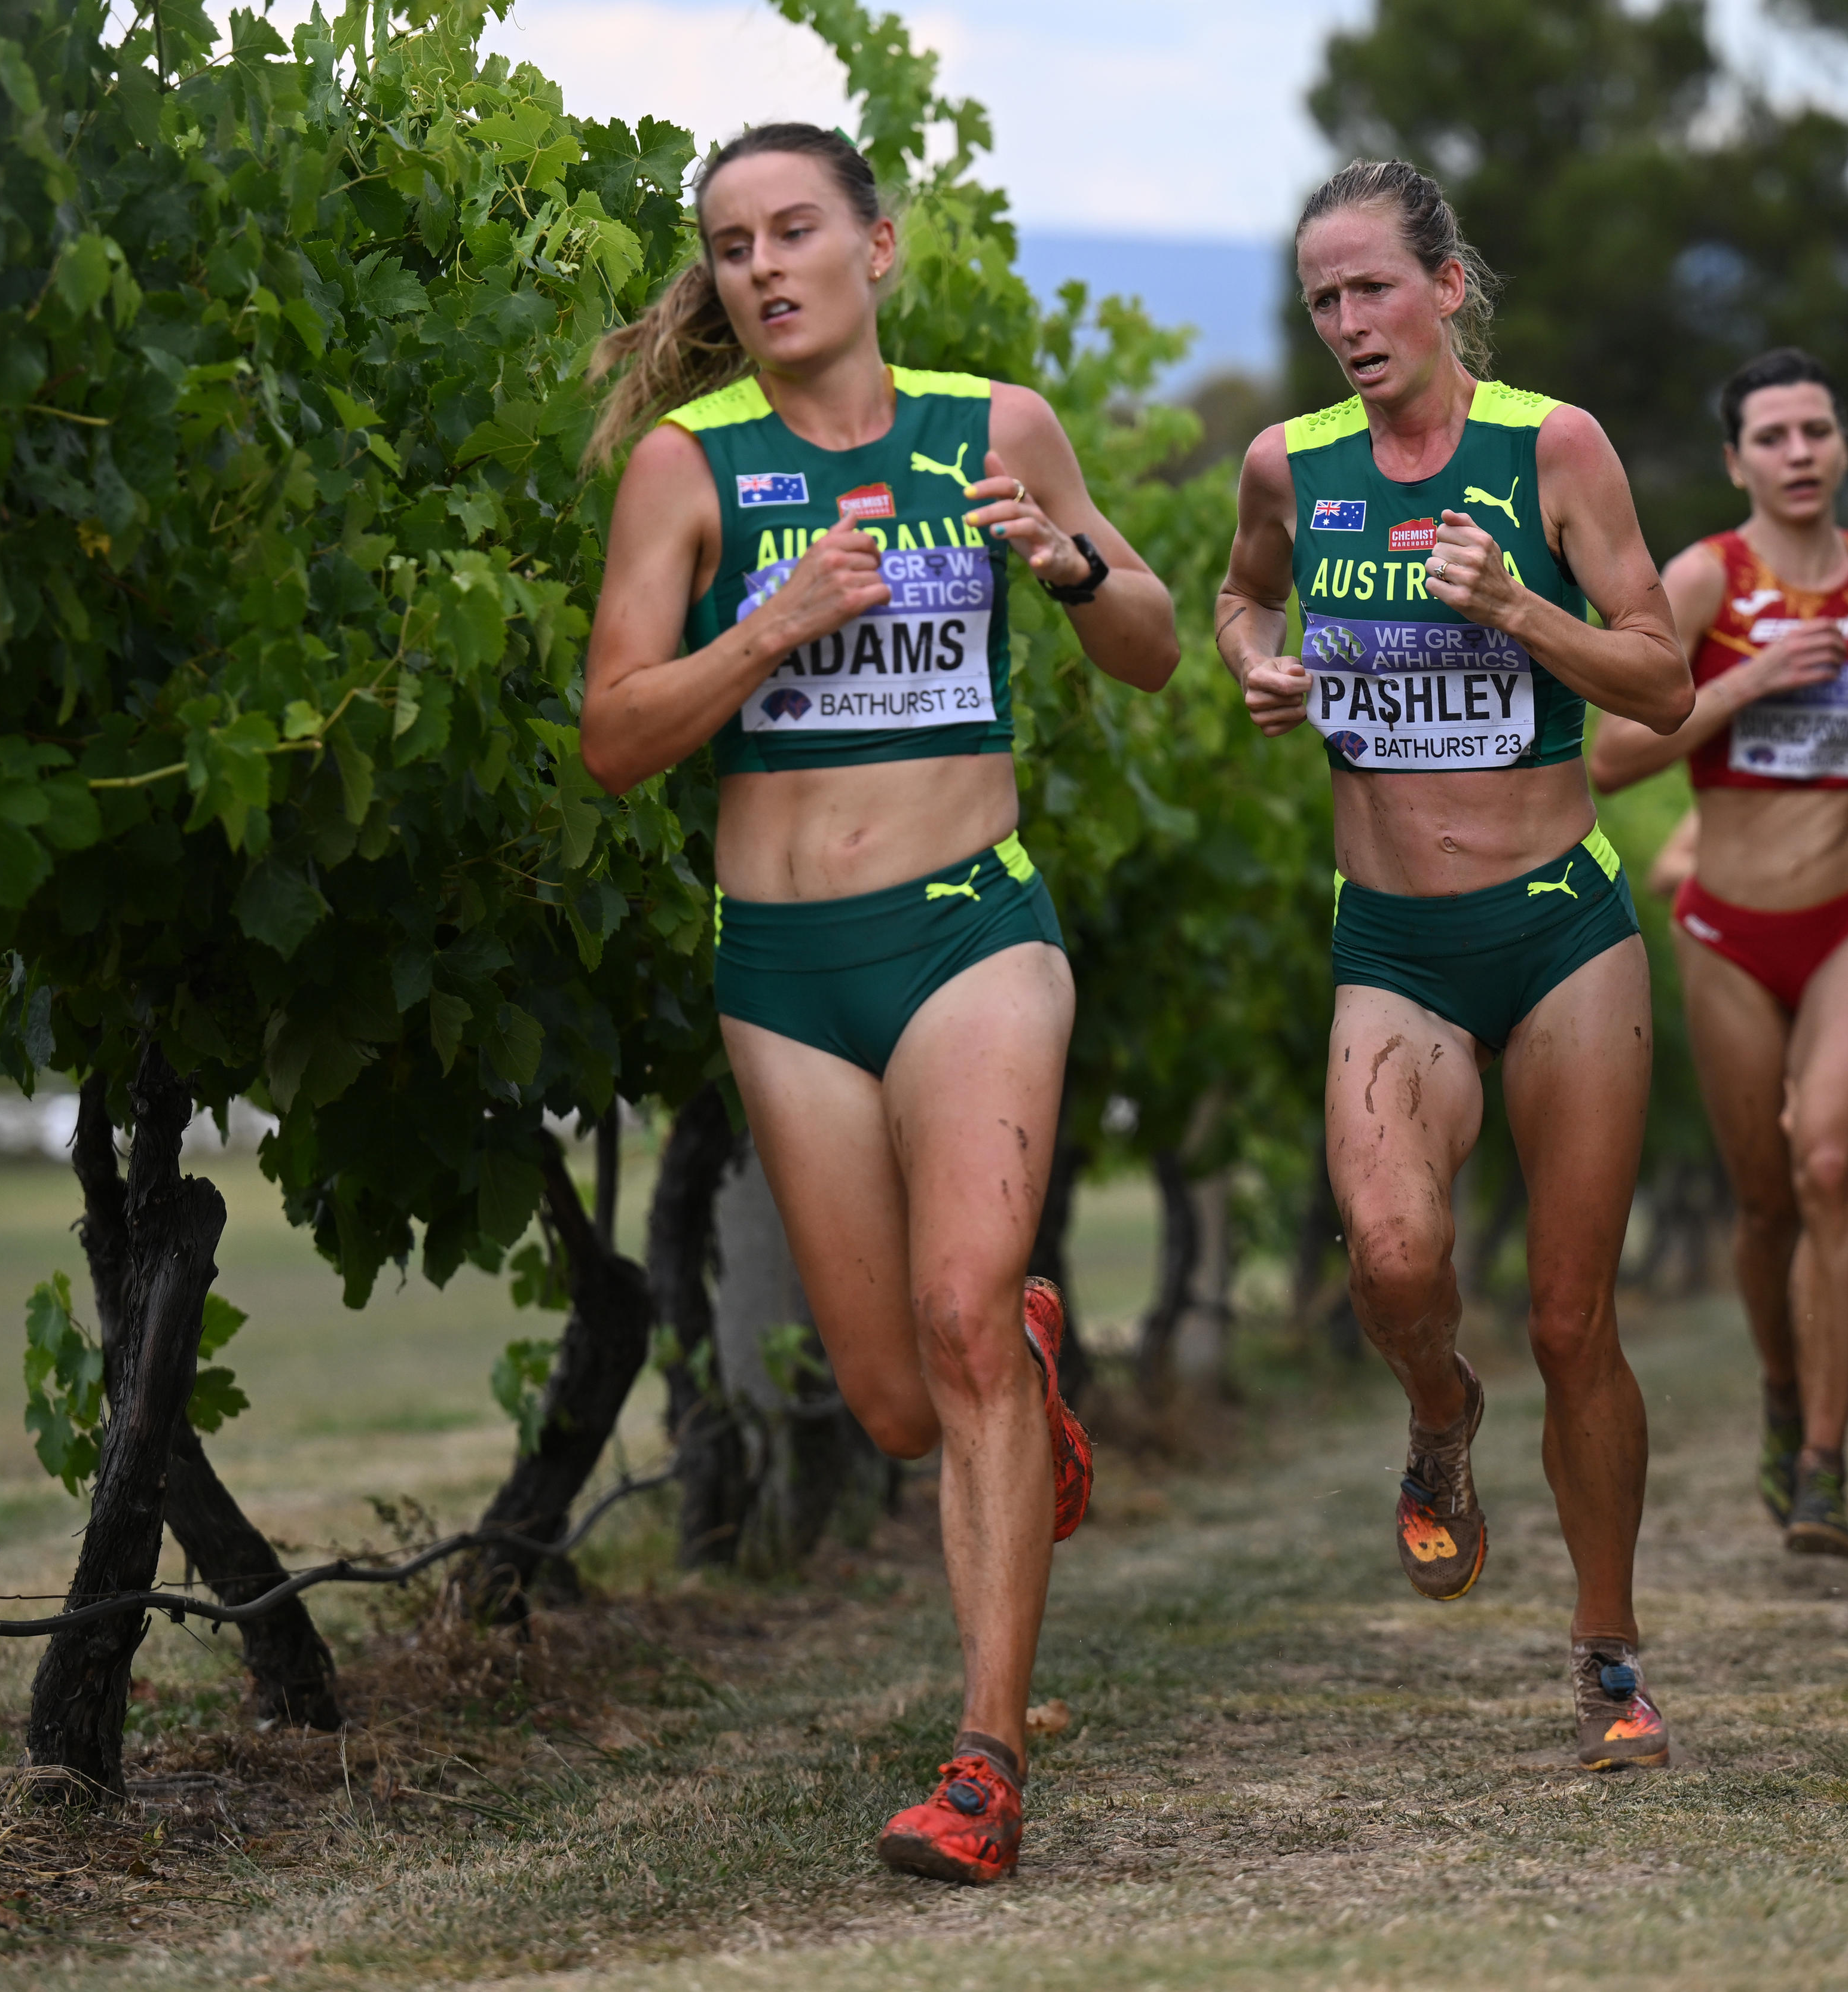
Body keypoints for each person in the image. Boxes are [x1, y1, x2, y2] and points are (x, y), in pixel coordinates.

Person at [578, 124, 1179, 1884]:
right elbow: (617, 740)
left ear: (875, 247)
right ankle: (1020, 1369)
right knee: (900, 1395)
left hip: (971, 932)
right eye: (732, 244)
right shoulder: (691, 470)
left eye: (794, 231)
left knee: (959, 1305)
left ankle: (984, 1764)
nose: (765, 266)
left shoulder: (992, 430)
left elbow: (1141, 638)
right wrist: (767, 630)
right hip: (784, 972)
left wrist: (1063, 563)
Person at [1214, 160, 1693, 1769]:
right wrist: (1258, 669)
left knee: (1573, 1318)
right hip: (1395, 942)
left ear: (1448, 286)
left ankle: (1611, 1653)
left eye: (1372, 288)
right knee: (1398, 1263)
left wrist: (1522, 614)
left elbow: (1666, 679)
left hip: (1560, 930)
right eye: (1322, 300)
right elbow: (1238, 595)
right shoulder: (1291, 465)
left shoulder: (1548, 449)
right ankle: (1438, 1418)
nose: (1349, 323)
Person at [1590, 348, 1848, 1559]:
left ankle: (1823, 1458)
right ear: (1735, 460)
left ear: (1845, 446)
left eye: (1817, 429)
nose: (1799, 451)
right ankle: (1778, 1385)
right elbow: (1612, 753)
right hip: (1725, 927)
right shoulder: (1703, 580)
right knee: (1763, 1200)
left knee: (1830, 1168)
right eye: (1773, 435)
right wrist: (1753, 677)